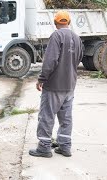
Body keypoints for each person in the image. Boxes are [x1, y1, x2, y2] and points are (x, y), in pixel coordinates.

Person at [29, 11, 84, 158]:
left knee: (47, 116)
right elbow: (78, 59)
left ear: (55, 23)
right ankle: (65, 146)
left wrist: (42, 79)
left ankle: (44, 148)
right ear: (69, 22)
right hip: (70, 85)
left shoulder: (56, 36)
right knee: (66, 117)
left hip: (54, 85)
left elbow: (50, 61)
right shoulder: (77, 38)